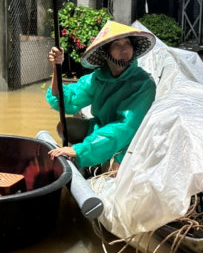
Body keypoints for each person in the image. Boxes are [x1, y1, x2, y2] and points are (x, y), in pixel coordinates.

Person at [46, 21, 157, 169]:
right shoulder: (97, 78)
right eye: (117, 45)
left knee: (111, 169)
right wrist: (56, 67)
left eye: (127, 43)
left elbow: (125, 126)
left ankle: (90, 158)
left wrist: (79, 150)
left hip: (129, 139)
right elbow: (67, 101)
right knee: (64, 126)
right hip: (101, 129)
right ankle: (86, 158)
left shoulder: (144, 83)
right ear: (105, 53)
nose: (124, 50)